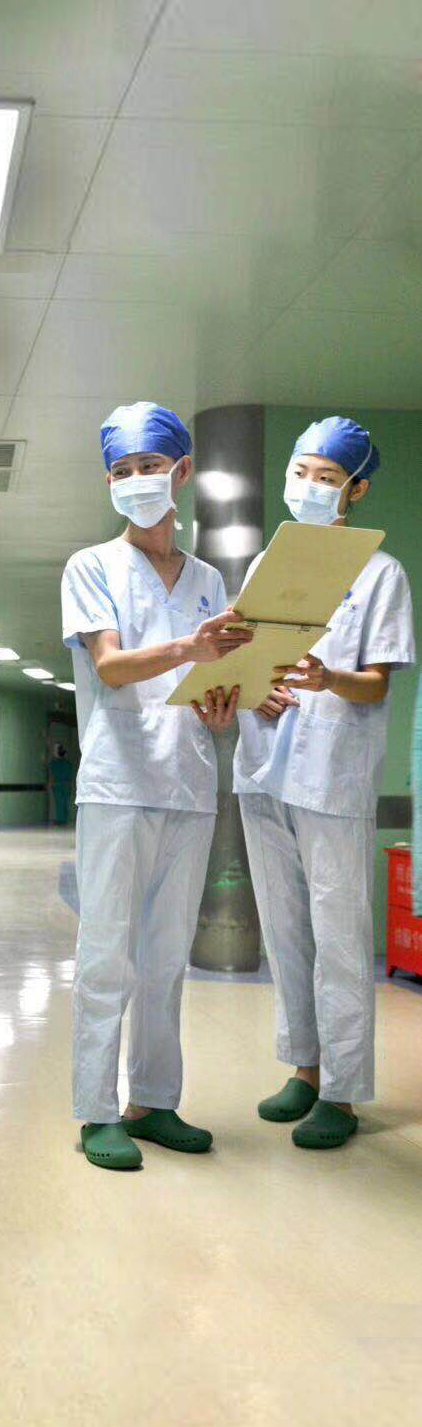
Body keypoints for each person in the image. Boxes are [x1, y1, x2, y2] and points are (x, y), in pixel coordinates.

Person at [61, 401, 251, 1171]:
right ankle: (96, 1111)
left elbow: (207, 683)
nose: (137, 480)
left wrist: (223, 703)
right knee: (108, 954)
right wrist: (188, 650)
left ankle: (154, 1100)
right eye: (122, 470)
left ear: (182, 472)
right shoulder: (91, 566)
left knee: (167, 957)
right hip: (117, 784)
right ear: (110, 482)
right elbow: (111, 666)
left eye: (150, 466)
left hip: (189, 785)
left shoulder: (208, 580)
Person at [236, 417, 416, 1149]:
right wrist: (254, 690)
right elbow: (243, 659)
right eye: (301, 472)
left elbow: (376, 684)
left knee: (338, 936)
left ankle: (341, 1091)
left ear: (357, 490)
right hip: (265, 771)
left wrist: (327, 677)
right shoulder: (265, 565)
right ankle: (304, 1070)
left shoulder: (381, 573)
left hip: (332, 777)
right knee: (285, 932)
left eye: (327, 477)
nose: (309, 487)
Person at [48, 743, 75, 826]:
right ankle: (66, 820)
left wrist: (50, 784)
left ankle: (61, 820)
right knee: (66, 803)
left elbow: (52, 776)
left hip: (58, 785)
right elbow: (71, 775)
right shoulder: (68, 764)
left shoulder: (53, 763)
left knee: (59, 803)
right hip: (67, 785)